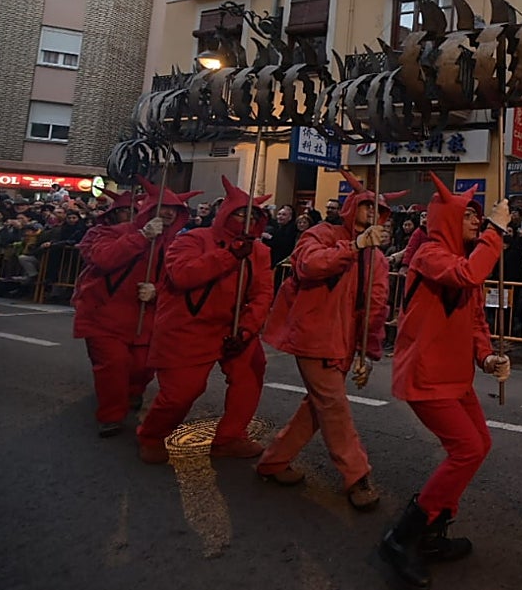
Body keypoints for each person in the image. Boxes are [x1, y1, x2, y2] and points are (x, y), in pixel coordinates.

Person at [378, 177, 510, 590]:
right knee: (466, 449)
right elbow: (469, 274)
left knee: (479, 445)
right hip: (426, 376)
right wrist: (498, 232)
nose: (476, 220)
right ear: (449, 219)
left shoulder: (465, 259)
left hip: (457, 377)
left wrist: (487, 357)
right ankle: (403, 536)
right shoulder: (430, 255)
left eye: (477, 214)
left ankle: (434, 531)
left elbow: (475, 323)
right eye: (469, 214)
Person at [256, 179, 399, 510]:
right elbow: (308, 265)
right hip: (315, 335)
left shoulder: (378, 257)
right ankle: (356, 474)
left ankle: (274, 461)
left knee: (317, 407)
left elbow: (376, 305)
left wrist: (368, 350)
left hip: (346, 342)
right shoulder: (322, 233)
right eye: (366, 206)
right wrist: (354, 247)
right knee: (333, 406)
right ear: (352, 207)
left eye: (378, 210)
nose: (372, 213)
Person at [136, 177, 273, 464]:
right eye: (241, 214)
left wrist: (246, 330)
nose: (247, 221)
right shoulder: (192, 239)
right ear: (225, 213)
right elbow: (183, 275)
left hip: (232, 327)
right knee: (181, 393)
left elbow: (262, 294)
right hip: (187, 327)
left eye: (254, 216)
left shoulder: (259, 251)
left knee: (250, 371)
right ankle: (152, 434)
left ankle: (230, 437)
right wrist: (229, 255)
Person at [71, 184, 196, 437]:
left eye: (175, 209)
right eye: (165, 207)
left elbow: (178, 279)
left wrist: (158, 291)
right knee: (113, 365)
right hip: (105, 315)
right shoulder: (106, 232)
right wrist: (141, 237)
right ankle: (110, 415)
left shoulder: (176, 243)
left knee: (142, 366)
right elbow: (103, 259)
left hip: (146, 317)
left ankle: (131, 392)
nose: (170, 213)